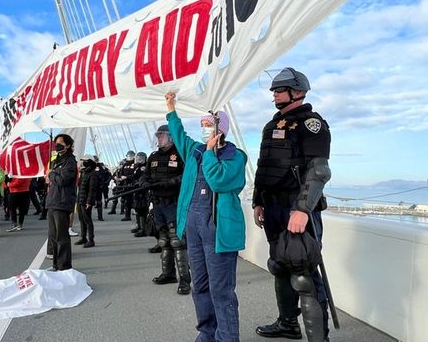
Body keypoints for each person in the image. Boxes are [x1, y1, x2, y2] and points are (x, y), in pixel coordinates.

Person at [252, 68, 332, 342]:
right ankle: (288, 324)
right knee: (280, 265)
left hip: (296, 209)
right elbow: (264, 168)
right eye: (274, 90)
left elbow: (319, 171)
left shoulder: (312, 124)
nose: (274, 94)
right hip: (272, 208)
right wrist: (257, 201)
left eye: (279, 89)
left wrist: (301, 209)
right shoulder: (270, 125)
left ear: (297, 92)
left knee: (303, 274)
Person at [164, 92, 247, 342]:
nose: (203, 130)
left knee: (221, 290)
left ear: (221, 129)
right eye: (201, 125)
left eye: (208, 125)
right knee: (199, 284)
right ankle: (207, 332)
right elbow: (178, 134)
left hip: (217, 229)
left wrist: (210, 153)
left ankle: (227, 337)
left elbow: (219, 180)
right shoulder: (195, 151)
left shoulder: (236, 156)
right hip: (194, 227)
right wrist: (170, 108)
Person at [140, 124, 189, 294]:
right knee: (163, 240)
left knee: (178, 241)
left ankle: (185, 280)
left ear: (170, 137)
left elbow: (187, 175)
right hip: (159, 204)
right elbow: (145, 175)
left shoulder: (180, 154)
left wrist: (172, 182)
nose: (159, 138)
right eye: (158, 135)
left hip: (174, 203)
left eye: (162, 135)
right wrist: (144, 183)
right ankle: (168, 274)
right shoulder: (153, 156)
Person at [46, 134, 78, 271]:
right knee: (53, 236)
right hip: (53, 201)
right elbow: (52, 181)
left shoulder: (70, 161)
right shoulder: (56, 161)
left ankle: (64, 266)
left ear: (68, 145)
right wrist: (51, 174)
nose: (57, 145)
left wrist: (51, 174)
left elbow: (64, 180)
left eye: (61, 143)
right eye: (56, 142)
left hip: (62, 202)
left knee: (62, 237)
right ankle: (55, 264)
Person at [75, 154, 99, 248]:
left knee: (87, 220)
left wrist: (89, 201)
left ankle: (91, 240)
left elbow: (92, 190)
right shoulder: (84, 172)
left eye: (85, 161)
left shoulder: (93, 174)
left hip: (86, 201)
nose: (83, 162)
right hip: (80, 199)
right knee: (81, 220)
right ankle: (83, 237)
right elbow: (80, 186)